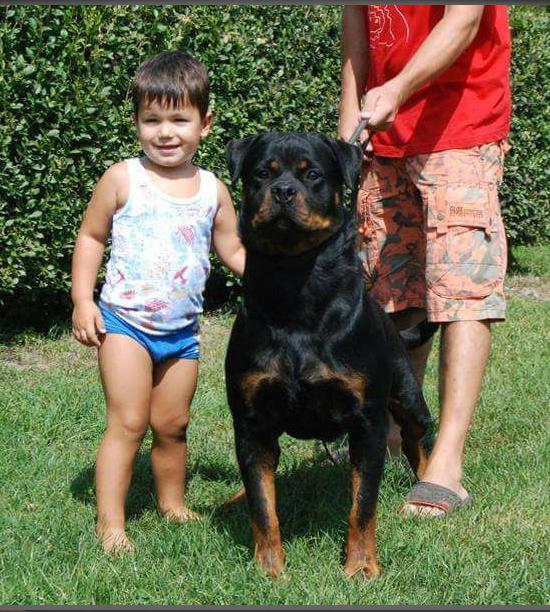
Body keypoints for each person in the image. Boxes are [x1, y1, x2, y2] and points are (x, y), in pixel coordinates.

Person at [339, 6, 511, 516]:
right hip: (384, 131)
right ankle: (394, 433)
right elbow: (357, 24)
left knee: (462, 290)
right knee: (391, 288)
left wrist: (397, 88)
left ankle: (446, 465)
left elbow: (464, 20)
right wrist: (350, 115)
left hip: (461, 125)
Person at [71, 50, 245, 552]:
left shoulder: (212, 190)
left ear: (205, 123)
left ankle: (172, 504)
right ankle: (111, 525)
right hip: (124, 325)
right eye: (152, 120)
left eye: (179, 120)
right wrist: (83, 300)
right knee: (128, 423)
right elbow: (91, 237)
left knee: (173, 425)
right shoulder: (123, 178)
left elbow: (233, 249)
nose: (165, 132)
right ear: (137, 123)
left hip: (181, 334)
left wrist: (277, 279)